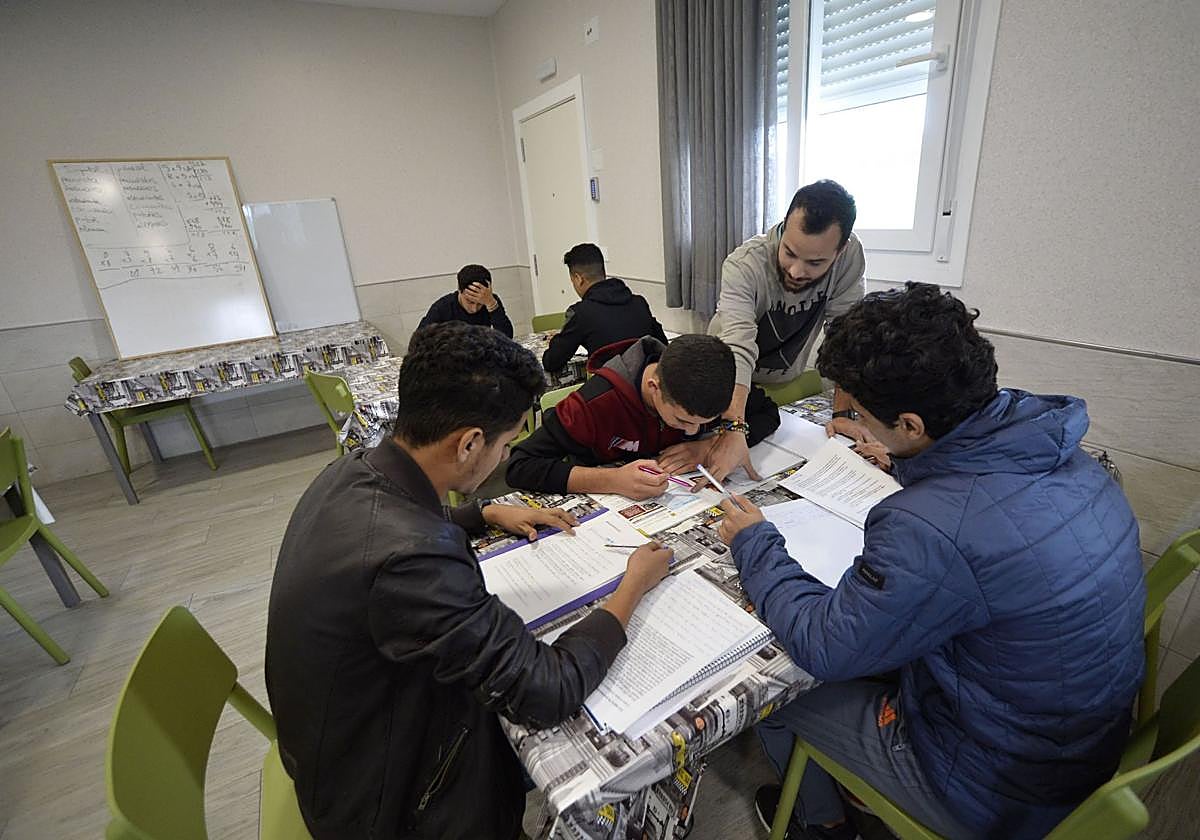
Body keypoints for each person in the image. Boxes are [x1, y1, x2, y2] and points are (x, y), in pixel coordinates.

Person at [716, 284, 1145, 839]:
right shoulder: (1066, 454)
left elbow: (825, 645)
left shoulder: (927, 525)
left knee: (777, 691)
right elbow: (990, 524)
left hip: (997, 786)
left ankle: (820, 823)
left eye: (863, 416)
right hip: (1081, 742)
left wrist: (755, 541)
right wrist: (913, 465)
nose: (858, 427)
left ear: (913, 425)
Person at [265, 322, 672, 840]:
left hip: (351, 730)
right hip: (388, 802)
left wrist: (480, 513)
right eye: (506, 444)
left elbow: (390, 538)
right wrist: (632, 586)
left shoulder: (353, 470)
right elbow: (546, 690)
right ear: (469, 443)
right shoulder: (412, 561)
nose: (505, 457)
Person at [702, 180, 866, 486]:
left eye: (815, 262)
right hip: (728, 384)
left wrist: (843, 414)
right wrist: (734, 428)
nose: (796, 271)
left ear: (839, 250)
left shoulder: (851, 256)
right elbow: (738, 347)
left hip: (781, 382)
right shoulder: (745, 265)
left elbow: (845, 338)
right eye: (789, 252)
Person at [506, 334, 779, 500]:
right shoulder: (594, 405)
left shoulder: (712, 384)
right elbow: (519, 466)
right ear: (654, 388)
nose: (693, 431)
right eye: (683, 421)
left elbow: (768, 412)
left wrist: (709, 445)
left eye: (704, 423)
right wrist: (612, 481)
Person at [541, 243, 669, 373]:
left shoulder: (581, 314)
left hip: (611, 389)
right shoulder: (639, 303)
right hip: (645, 387)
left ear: (578, 278)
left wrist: (556, 340)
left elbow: (551, 362)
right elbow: (663, 346)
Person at [417, 263, 514, 337]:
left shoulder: (490, 301)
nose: (474, 308)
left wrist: (491, 304)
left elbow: (507, 337)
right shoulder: (442, 307)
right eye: (470, 301)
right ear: (459, 290)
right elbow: (419, 339)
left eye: (480, 304)